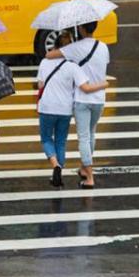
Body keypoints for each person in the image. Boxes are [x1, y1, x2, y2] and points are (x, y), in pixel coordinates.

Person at [38, 32, 109, 188]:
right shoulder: (73, 66)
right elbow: (86, 86)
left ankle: (57, 166)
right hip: (66, 109)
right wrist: (104, 84)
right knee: (63, 141)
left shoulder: (45, 62)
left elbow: (41, 85)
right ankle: (79, 168)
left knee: (46, 139)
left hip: (48, 107)